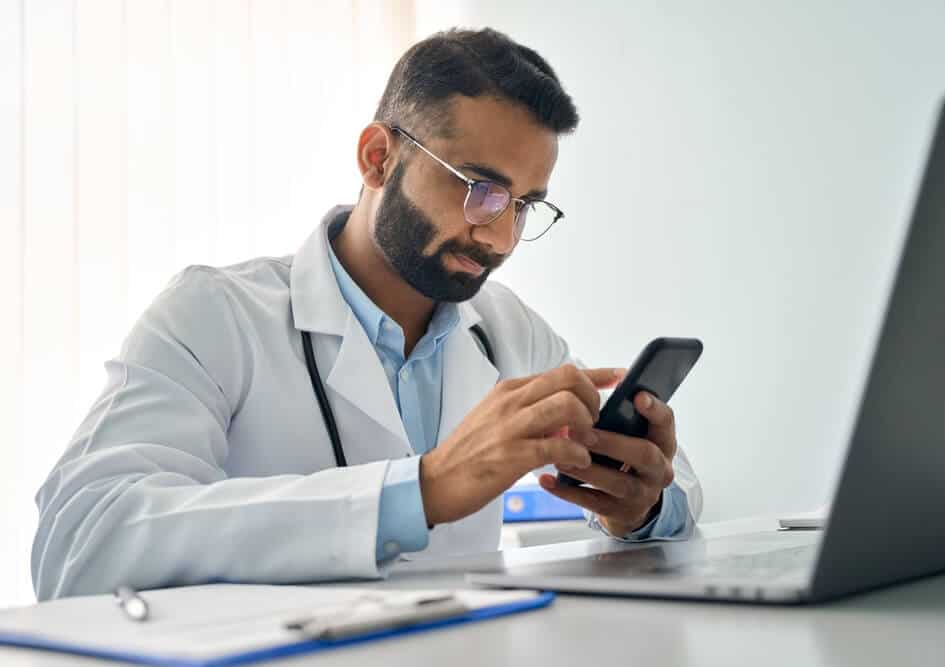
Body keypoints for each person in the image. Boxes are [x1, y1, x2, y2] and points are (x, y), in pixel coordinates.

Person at [32, 27, 702, 601]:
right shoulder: (213, 315)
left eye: (523, 204)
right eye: (480, 189)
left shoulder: (507, 331)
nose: (500, 238)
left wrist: (638, 506)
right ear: (379, 157)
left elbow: (684, 491)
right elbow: (80, 541)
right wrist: (423, 488)